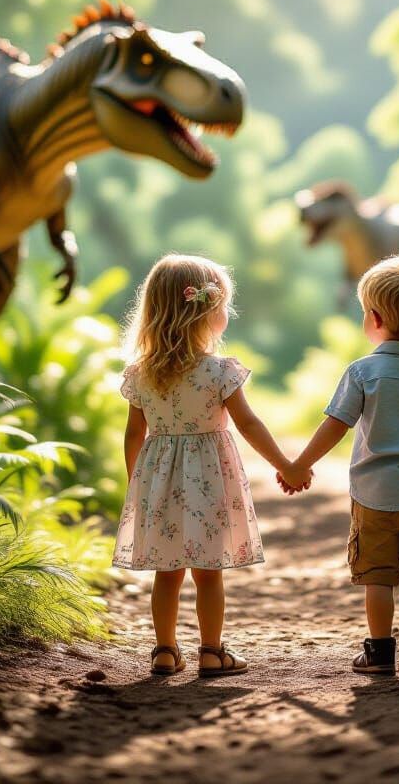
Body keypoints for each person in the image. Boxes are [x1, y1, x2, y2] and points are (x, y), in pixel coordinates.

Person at [114, 254, 308, 677]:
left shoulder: (141, 374)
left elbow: (133, 433)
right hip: (208, 484)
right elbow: (249, 423)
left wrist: (137, 485)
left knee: (167, 572)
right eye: (223, 304)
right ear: (206, 310)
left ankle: (164, 651)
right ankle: (211, 651)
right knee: (208, 573)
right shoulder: (218, 371)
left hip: (159, 482)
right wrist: (287, 465)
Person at [279, 254, 399, 675]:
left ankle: (381, 653)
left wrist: (299, 465)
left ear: (374, 317)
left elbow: (335, 426)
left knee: (379, 579)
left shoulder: (363, 372)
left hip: (375, 498)